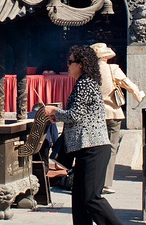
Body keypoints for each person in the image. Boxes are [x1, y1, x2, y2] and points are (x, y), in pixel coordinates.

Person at [43, 45, 122, 225]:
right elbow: (79, 115)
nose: (68, 65)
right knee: (79, 199)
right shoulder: (82, 83)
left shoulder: (86, 83)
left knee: (91, 198)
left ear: (81, 64)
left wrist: (55, 110)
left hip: (93, 148)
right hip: (85, 148)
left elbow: (75, 114)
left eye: (71, 62)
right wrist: (58, 116)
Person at [91, 42, 145, 194]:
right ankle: (106, 183)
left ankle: (95, 181)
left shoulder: (88, 71)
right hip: (113, 113)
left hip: (95, 115)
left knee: (96, 148)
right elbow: (130, 86)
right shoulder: (112, 69)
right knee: (111, 148)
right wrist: (141, 99)